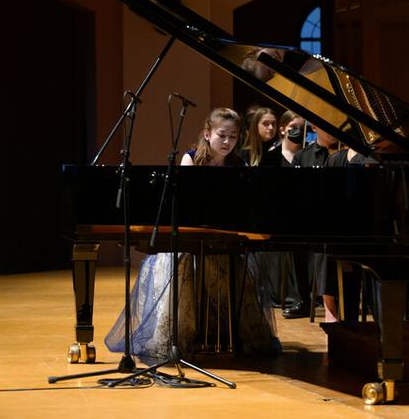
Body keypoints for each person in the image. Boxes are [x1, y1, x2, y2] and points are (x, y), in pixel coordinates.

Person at [105, 108, 279, 359]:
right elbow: (185, 205)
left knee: (235, 266)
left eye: (233, 136)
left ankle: (222, 334)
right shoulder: (191, 159)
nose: (228, 142)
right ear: (207, 134)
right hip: (189, 236)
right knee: (182, 262)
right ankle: (182, 335)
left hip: (221, 236)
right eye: (222, 135)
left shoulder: (238, 164)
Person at [282, 124, 340, 319]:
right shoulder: (303, 156)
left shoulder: (343, 153)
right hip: (311, 218)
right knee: (294, 241)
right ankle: (303, 300)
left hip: (336, 221)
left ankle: (334, 301)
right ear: (314, 126)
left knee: (326, 245)